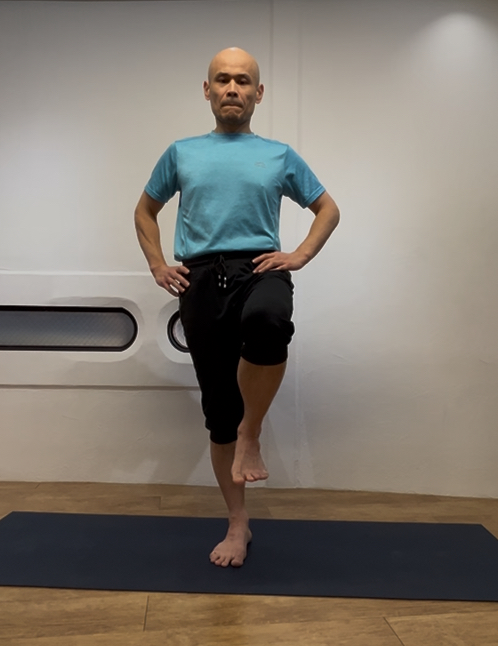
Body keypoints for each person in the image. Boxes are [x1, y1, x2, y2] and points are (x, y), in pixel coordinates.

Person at [134, 47, 340, 568]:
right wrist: (158, 264)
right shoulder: (181, 153)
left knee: (268, 321)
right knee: (220, 412)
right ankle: (237, 521)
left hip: (259, 268)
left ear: (258, 93)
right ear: (207, 90)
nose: (232, 88)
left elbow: (327, 208)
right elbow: (145, 211)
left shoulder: (278, 155)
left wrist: (299, 254)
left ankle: (253, 434)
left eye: (243, 81)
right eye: (223, 79)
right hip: (201, 279)